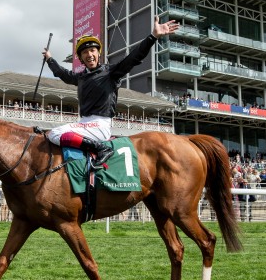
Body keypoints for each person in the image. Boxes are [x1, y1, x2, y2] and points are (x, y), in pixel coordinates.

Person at [42, 16, 179, 168]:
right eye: (85, 52)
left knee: (54, 134)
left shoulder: (110, 72)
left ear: (98, 53)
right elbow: (62, 74)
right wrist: (50, 60)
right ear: (80, 57)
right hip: (84, 124)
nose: (89, 55)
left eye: (93, 50)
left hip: (99, 125)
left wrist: (153, 37)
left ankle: (101, 148)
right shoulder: (81, 77)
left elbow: (134, 57)